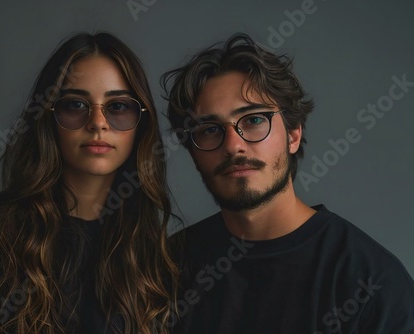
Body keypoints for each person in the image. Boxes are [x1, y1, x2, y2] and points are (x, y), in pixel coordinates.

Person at [0, 32, 179, 334]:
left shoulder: (156, 256)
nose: (98, 122)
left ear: (141, 122)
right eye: (76, 105)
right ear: (48, 117)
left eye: (118, 106)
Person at [161, 33, 414, 333]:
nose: (233, 146)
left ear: (293, 135)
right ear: (192, 150)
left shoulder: (371, 281)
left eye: (254, 120)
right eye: (210, 129)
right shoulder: (166, 269)